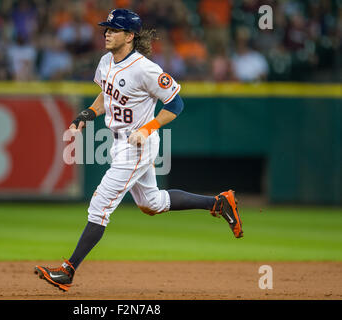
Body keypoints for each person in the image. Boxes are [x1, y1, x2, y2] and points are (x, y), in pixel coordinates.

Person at [34, 9, 243, 292]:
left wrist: (148, 128)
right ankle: (218, 202)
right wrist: (85, 116)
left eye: (114, 29)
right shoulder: (106, 60)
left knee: (100, 205)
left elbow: (176, 105)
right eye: (106, 28)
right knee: (151, 203)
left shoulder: (145, 69)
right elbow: (105, 95)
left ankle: (68, 271)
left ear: (130, 36)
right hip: (119, 142)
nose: (107, 32)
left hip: (139, 145)